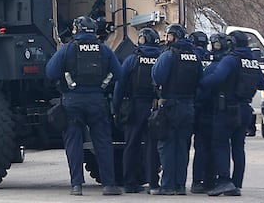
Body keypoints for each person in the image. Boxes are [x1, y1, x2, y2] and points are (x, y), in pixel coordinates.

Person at [46, 16, 124, 196]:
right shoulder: (104, 50)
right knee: (103, 142)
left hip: (72, 101)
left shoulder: (67, 50)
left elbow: (50, 72)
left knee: (74, 142)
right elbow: (119, 74)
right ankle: (109, 185)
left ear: (76, 30)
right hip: (97, 100)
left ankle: (76, 185)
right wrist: (104, 83)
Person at [199, 30, 264, 196]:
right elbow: (263, 83)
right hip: (245, 109)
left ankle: (224, 181)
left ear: (232, 43)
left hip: (227, 109)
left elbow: (216, 79)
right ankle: (236, 184)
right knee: (238, 147)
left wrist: (200, 81)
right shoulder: (252, 61)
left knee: (220, 144)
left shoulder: (230, 60)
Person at [151, 23, 203, 195]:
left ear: (173, 36)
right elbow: (199, 80)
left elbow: (158, 76)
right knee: (183, 147)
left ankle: (167, 185)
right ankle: (180, 185)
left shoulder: (169, 55)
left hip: (170, 105)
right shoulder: (195, 56)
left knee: (166, 145)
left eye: (168, 36)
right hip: (188, 106)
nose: (166, 39)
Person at [113, 27, 163, 194]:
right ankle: (154, 184)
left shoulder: (132, 59)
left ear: (142, 39)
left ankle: (130, 183)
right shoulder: (162, 58)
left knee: (131, 146)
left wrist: (116, 107)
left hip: (135, 107)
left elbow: (120, 85)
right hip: (155, 107)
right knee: (152, 146)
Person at [191, 32, 231, 193]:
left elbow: (202, 89)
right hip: (221, 112)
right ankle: (210, 179)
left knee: (202, 147)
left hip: (205, 111)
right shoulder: (229, 64)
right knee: (216, 147)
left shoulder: (210, 65)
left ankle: (199, 181)